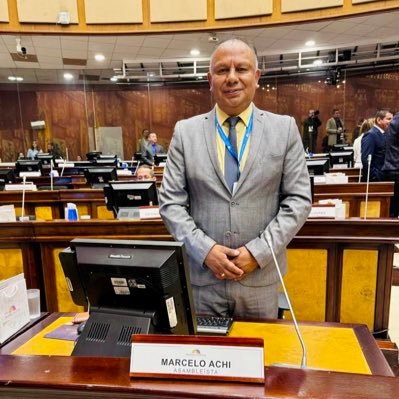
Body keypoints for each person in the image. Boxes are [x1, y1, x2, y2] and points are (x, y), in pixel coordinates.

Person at [159, 39, 312, 319]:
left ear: (256, 78)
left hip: (260, 281)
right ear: (210, 80)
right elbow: (171, 204)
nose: (231, 78)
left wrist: (258, 252)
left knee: (261, 359)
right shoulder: (185, 133)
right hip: (202, 280)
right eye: (222, 70)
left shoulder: (285, 129)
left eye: (241, 69)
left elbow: (299, 201)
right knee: (203, 359)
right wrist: (206, 251)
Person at [361, 109, 393, 182]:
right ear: (379, 120)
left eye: (392, 119)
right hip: (375, 180)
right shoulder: (371, 135)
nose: (392, 122)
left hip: (384, 178)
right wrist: (375, 176)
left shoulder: (384, 134)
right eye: (388, 119)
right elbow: (366, 159)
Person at [382, 111, 399, 217]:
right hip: (396, 168)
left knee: (393, 210)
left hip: (393, 168)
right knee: (394, 211)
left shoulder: (395, 121)